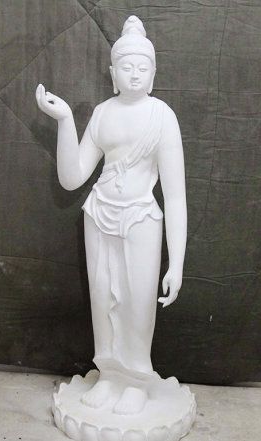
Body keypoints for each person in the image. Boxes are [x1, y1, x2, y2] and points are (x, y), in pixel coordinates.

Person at [35, 15, 187, 415]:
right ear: (112, 73)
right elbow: (72, 178)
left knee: (138, 300)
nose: (134, 74)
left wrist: (177, 263)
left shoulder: (162, 116)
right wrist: (65, 121)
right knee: (102, 297)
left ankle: (135, 379)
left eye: (143, 68)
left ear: (153, 75)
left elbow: (175, 197)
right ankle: (109, 374)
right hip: (99, 212)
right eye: (126, 67)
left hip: (141, 217)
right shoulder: (103, 113)